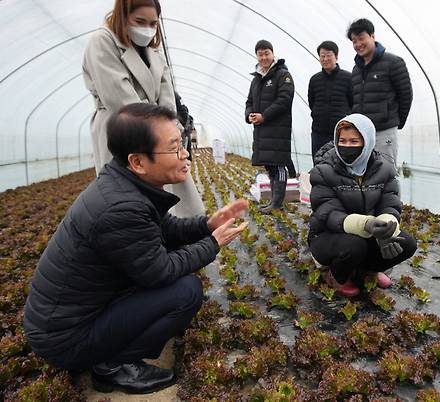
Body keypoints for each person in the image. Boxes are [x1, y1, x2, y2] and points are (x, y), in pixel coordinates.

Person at [22, 103, 249, 394]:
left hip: (69, 318)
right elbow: (161, 272)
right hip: (66, 338)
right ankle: (112, 366)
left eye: (182, 144)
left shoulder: (125, 184)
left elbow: (166, 228)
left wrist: (207, 224)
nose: (185, 154)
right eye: (174, 148)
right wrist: (213, 242)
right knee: (185, 291)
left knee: (175, 282)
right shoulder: (120, 208)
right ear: (138, 161)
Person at [82, 0, 204, 217]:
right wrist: (162, 130)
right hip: (123, 132)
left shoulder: (153, 51)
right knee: (131, 205)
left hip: (161, 132)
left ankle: (178, 240)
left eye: (153, 23)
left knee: (175, 204)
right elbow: (121, 100)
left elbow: (167, 95)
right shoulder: (102, 42)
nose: (147, 29)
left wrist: (171, 129)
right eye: (140, 21)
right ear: (123, 15)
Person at [308, 113, 417, 297]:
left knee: (406, 243)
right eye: (342, 140)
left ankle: (367, 270)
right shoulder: (323, 171)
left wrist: (385, 227)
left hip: (368, 232)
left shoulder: (385, 169)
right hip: (329, 235)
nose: (347, 146)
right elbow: (328, 213)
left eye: (354, 141)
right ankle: (335, 275)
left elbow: (390, 204)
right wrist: (367, 224)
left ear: (368, 142)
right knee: (354, 245)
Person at [347, 18, 413, 166]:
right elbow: (354, 99)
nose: (358, 44)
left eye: (361, 38)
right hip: (362, 133)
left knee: (386, 174)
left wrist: (394, 121)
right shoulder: (356, 69)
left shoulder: (393, 63)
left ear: (372, 36)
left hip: (384, 131)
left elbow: (406, 96)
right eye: (354, 41)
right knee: (364, 173)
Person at [245, 39, 295, 213]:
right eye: (260, 54)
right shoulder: (256, 79)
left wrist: (264, 116)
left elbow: (284, 100)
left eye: (267, 53)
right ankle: (274, 202)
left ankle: (277, 203)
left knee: (279, 165)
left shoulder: (282, 75)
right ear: (257, 56)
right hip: (262, 130)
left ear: (273, 54)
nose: (264, 57)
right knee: (270, 165)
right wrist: (249, 115)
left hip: (278, 129)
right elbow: (249, 101)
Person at [308, 40, 353, 162]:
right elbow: (311, 102)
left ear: (336, 56)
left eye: (329, 55)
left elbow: (353, 103)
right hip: (318, 131)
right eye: (322, 56)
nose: (325, 59)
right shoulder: (315, 80)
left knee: (340, 165)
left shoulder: (348, 78)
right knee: (319, 165)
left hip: (341, 133)